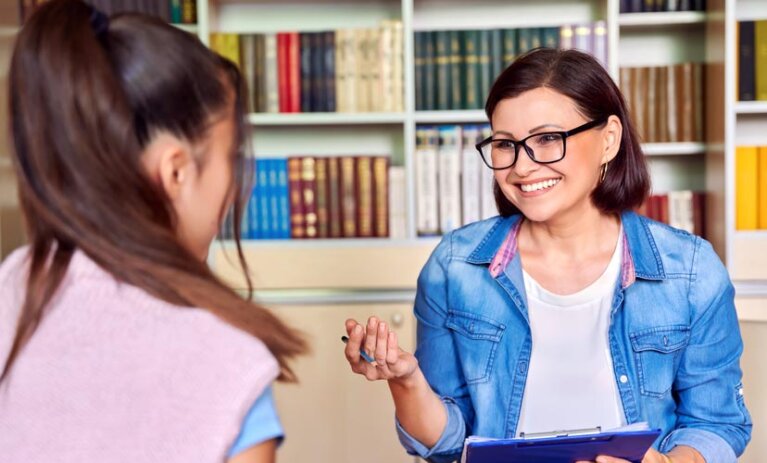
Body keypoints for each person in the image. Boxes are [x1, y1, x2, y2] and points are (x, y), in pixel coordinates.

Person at [343, 48, 751, 463]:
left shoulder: (691, 272)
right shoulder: (455, 267)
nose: (522, 166)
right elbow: (447, 445)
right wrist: (407, 380)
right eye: (505, 145)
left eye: (547, 139)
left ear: (609, 138)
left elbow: (718, 424)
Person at [0, 1, 306, 462]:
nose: (235, 187)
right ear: (176, 172)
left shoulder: (9, 292)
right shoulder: (229, 363)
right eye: (230, 156)